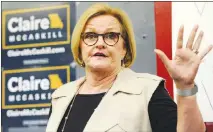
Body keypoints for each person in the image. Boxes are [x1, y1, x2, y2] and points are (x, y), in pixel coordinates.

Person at [46, 3, 212, 132]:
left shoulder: (148, 90)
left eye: (111, 36)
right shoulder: (61, 96)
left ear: (125, 48)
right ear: (80, 46)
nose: (100, 43)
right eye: (91, 36)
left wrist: (185, 87)